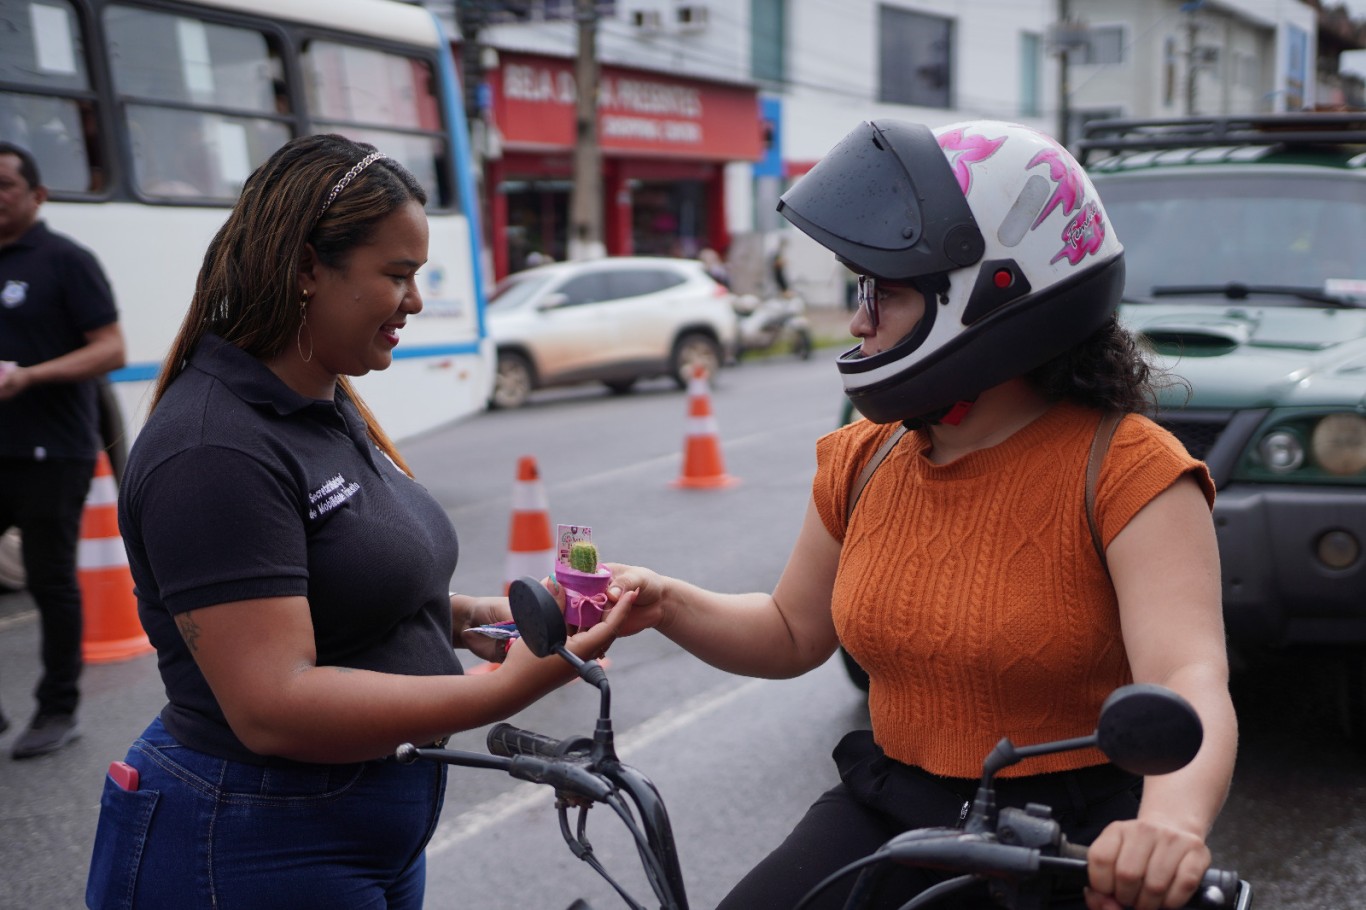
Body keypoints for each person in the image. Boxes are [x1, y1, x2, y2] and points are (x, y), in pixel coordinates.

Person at [604, 119, 1237, 910]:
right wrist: (664, 601)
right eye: (858, 290)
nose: (862, 322)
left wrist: (1169, 827)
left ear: (998, 292)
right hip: (893, 806)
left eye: (888, 292)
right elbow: (793, 632)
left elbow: (1189, 678)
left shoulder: (1130, 469)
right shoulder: (864, 456)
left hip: (1073, 841)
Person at [84, 134, 631, 910]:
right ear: (307, 267)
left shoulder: (323, 398)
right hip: (250, 843)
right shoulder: (211, 448)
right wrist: (506, 690)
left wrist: (464, 618)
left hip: (364, 831)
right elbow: (275, 705)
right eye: (397, 275)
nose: (414, 300)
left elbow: (331, 587)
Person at [0, 141, 127, 759]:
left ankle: (57, 710)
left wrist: (29, 375)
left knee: (51, 583)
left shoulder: (64, 260)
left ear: (37, 195)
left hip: (54, 450)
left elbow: (111, 349)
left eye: (5, 186)